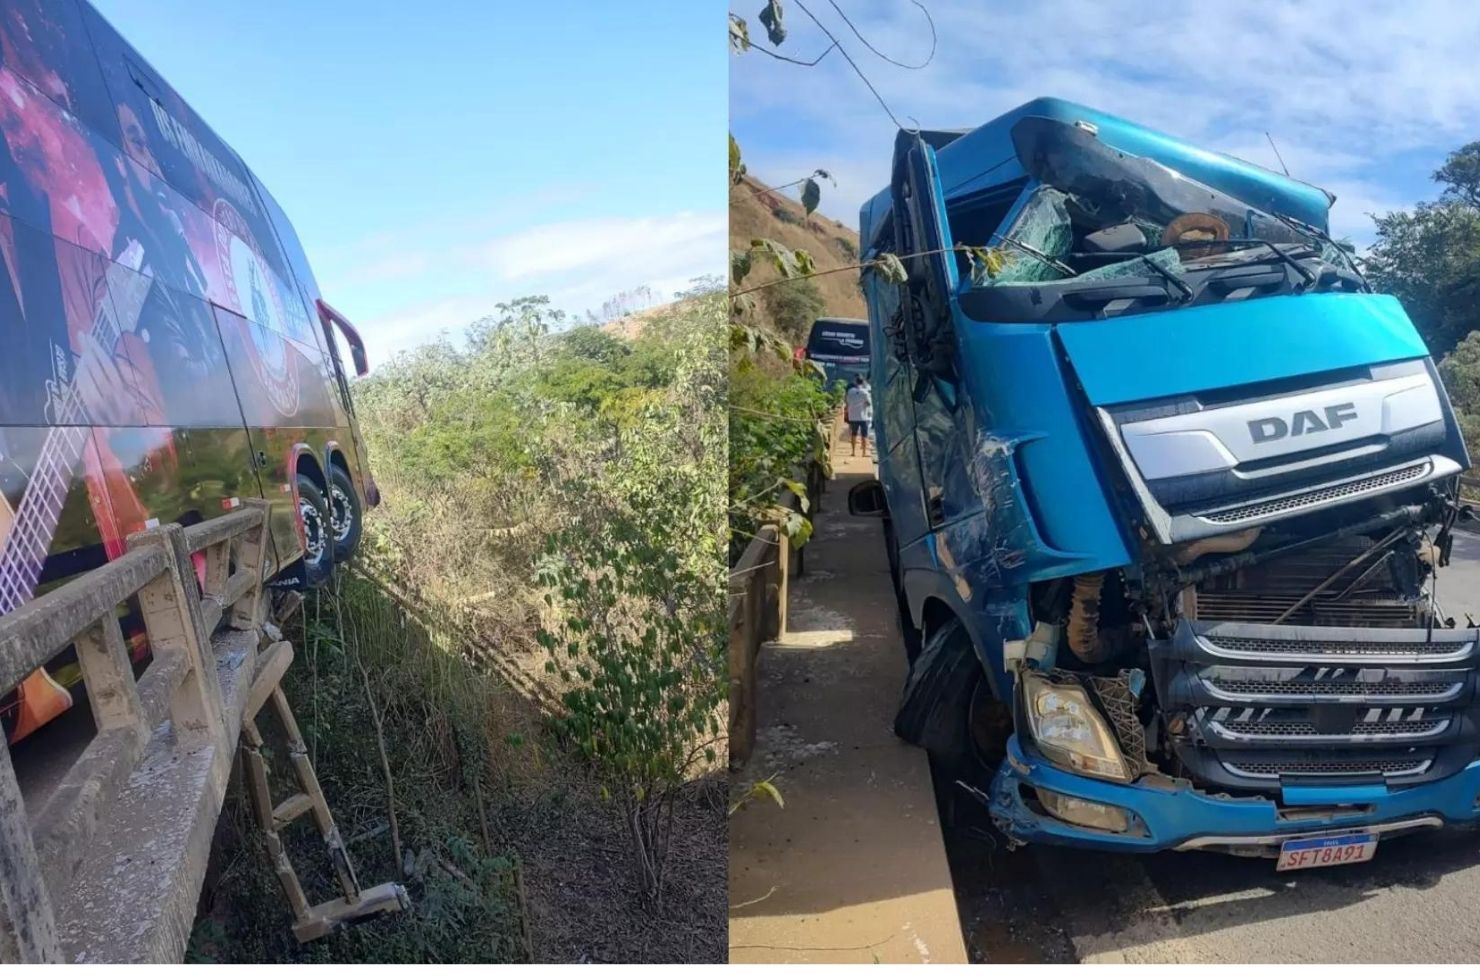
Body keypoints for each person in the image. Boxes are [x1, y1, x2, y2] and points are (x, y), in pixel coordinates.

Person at [844, 373, 872, 457]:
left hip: (853, 416)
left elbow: (847, 402)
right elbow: (869, 403)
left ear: (856, 382)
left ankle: (853, 452)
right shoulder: (865, 392)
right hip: (863, 416)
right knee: (864, 435)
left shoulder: (850, 391)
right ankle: (864, 453)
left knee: (854, 434)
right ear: (862, 382)